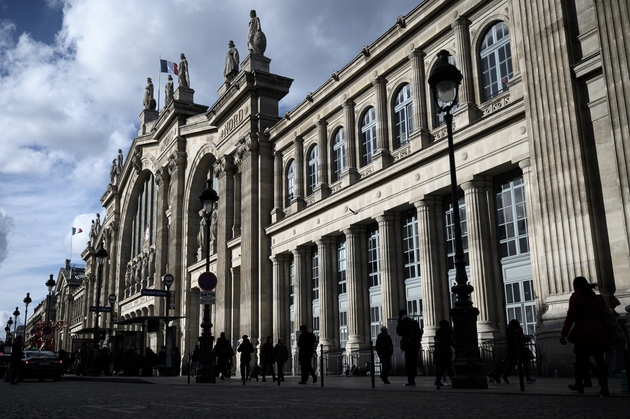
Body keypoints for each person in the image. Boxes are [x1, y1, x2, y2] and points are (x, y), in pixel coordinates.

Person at [560, 276, 610, 396]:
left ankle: (579, 384)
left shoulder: (575, 298)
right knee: (600, 360)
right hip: (599, 331)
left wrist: (564, 334)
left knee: (580, 361)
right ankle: (604, 387)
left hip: (583, 333)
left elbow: (570, 317)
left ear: (575, 286)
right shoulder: (597, 298)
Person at [498, 319, 536, 384]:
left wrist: (525, 340)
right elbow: (511, 342)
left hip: (520, 350)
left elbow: (520, 339)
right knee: (513, 364)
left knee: (521, 363)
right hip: (516, 351)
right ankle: (505, 375)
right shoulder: (512, 331)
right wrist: (511, 351)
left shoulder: (518, 330)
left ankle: (527, 378)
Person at [396, 308, 422, 386]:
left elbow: (399, 333)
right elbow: (419, 333)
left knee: (409, 362)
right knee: (414, 362)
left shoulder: (402, 322)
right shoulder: (413, 322)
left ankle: (411, 380)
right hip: (415, 344)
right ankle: (413, 378)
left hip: (408, 345)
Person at [434, 319, 455, 389]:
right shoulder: (439, 332)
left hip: (446, 351)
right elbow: (444, 338)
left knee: (445, 367)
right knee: (446, 366)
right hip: (442, 351)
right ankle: (453, 380)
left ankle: (438, 380)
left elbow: (451, 340)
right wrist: (449, 332)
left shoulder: (447, 331)